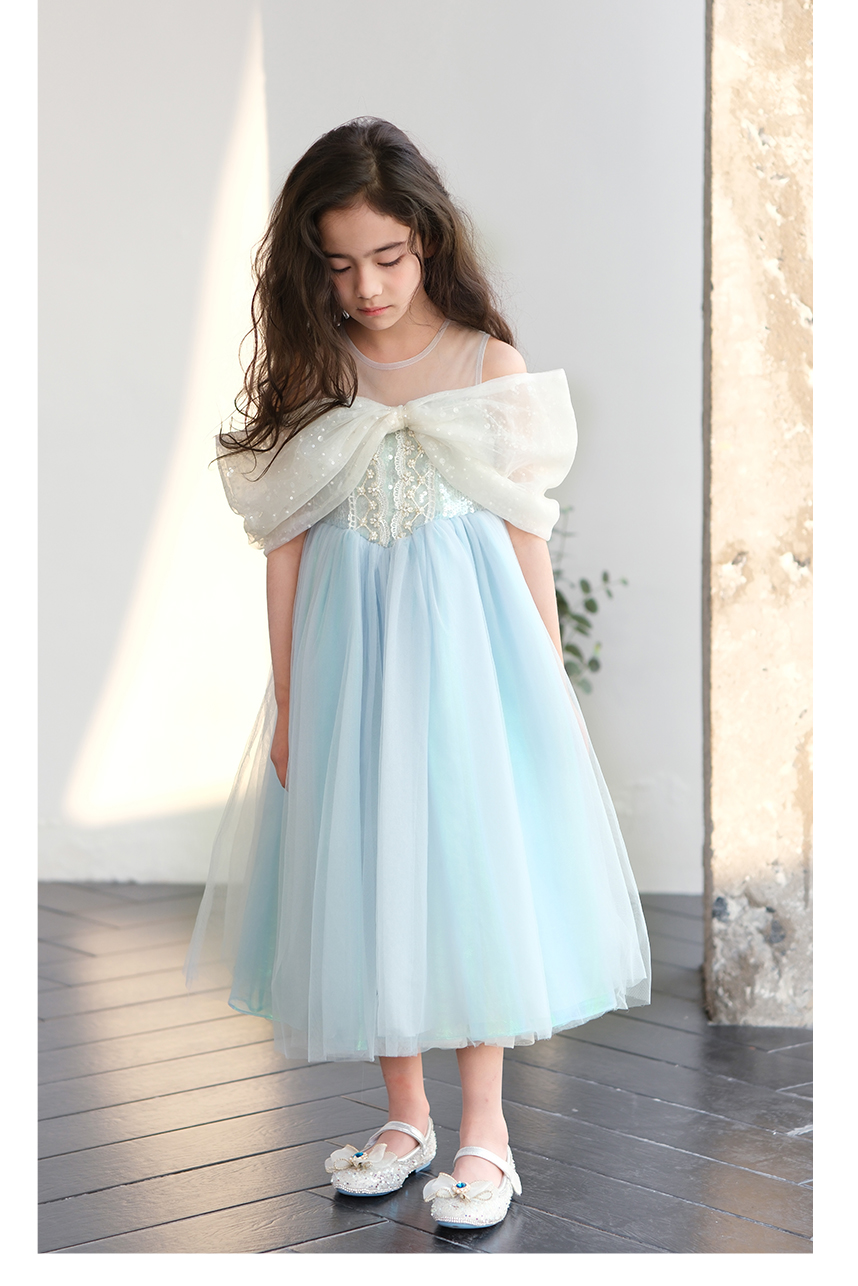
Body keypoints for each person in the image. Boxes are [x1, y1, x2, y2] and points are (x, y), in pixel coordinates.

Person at [186, 117, 650, 1231]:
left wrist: (547, 685)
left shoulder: (488, 363)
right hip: (351, 658)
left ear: (428, 238)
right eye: (340, 264)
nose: (367, 287)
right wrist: (291, 699)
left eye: (387, 257)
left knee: (467, 860)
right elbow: (284, 548)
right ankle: (406, 1117)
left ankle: (487, 1130)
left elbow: (525, 533)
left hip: (469, 659)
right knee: (370, 862)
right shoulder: (317, 368)